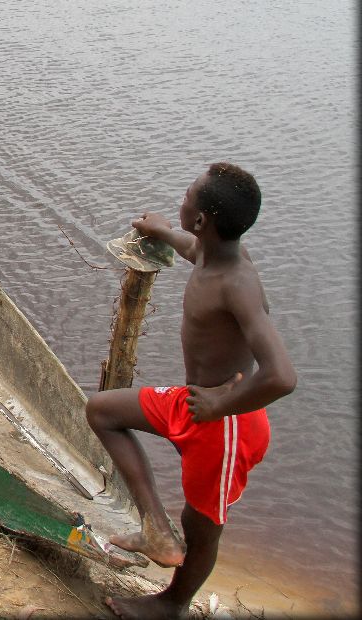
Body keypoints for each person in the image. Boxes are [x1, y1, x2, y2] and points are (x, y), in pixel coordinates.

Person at [86, 163, 296, 620]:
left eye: (186, 197)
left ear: (202, 219)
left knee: (202, 528)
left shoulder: (238, 283)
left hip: (228, 425)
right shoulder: (211, 253)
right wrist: (159, 228)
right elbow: (188, 247)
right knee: (102, 411)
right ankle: (155, 529)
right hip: (194, 402)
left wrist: (221, 404)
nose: (180, 201)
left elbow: (281, 375)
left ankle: (173, 604)